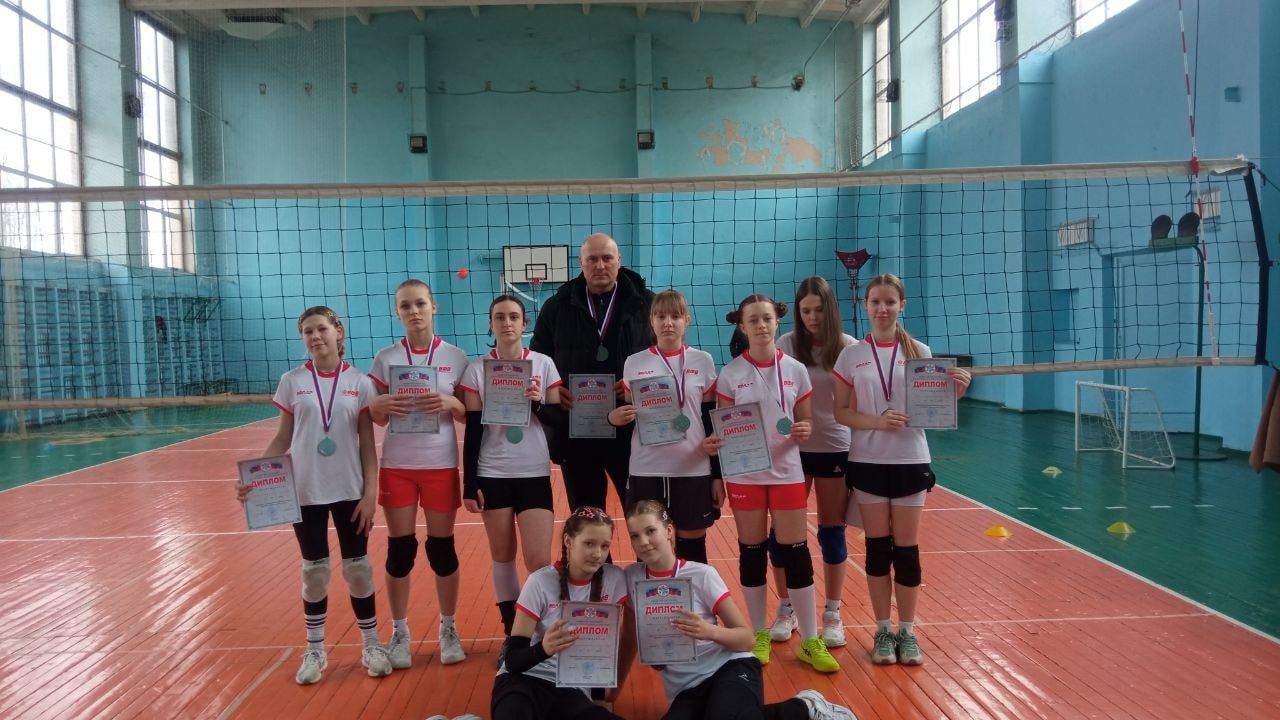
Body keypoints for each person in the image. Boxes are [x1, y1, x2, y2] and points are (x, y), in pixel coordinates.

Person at [238, 305, 392, 684]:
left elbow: (367, 444)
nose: (315, 336)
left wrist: (370, 494)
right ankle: (315, 650)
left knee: (358, 569)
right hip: (304, 491)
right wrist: (255, 476)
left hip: (349, 489)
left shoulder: (360, 382)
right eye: (308, 331)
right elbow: (282, 437)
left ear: (338, 331)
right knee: (315, 572)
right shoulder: (292, 381)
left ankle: (371, 645)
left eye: (321, 328)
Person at [831, 273, 971, 666]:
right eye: (876, 301)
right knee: (877, 550)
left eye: (890, 302)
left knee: (906, 551)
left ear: (901, 305)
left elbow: (932, 408)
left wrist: (955, 393)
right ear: (865, 305)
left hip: (911, 459)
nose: (882, 309)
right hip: (868, 461)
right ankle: (882, 629)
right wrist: (878, 422)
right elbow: (840, 412)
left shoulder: (920, 351)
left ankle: (907, 631)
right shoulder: (851, 355)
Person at [623, 500, 856, 720]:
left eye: (650, 531)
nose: (643, 541)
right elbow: (628, 632)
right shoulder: (632, 578)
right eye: (635, 535)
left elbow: (747, 639)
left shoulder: (701, 575)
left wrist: (709, 631)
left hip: (728, 667)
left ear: (669, 531)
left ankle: (806, 706)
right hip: (686, 687)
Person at [705, 294, 840, 673]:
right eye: (753, 320)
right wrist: (716, 446)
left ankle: (810, 639)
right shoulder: (731, 374)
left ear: (777, 321)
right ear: (742, 326)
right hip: (745, 474)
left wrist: (804, 428)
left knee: (796, 550)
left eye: (766, 318)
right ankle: (758, 634)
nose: (761, 325)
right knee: (752, 551)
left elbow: (806, 418)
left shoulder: (795, 369)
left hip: (786, 472)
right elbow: (723, 426)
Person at [367, 279, 469, 668]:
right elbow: (375, 417)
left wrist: (452, 403)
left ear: (433, 306)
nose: (414, 311)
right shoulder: (386, 358)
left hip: (440, 464)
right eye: (406, 306)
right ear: (397, 312)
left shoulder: (456, 357)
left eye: (420, 304)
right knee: (401, 551)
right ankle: (400, 633)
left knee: (442, 550)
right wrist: (378, 406)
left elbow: (468, 413)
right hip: (398, 466)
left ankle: (449, 629)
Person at [460, 294, 563, 647]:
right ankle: (513, 635)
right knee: (502, 556)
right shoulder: (477, 370)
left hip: (533, 472)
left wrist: (536, 402)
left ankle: (544, 630)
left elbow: (557, 420)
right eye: (500, 317)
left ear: (524, 323)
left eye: (514, 317)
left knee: (539, 561)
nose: (507, 323)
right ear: (491, 324)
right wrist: (469, 483)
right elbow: (473, 431)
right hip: (493, 473)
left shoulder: (543, 364)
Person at [531, 233, 654, 511]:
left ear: (619, 260)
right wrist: (553, 390)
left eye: (607, 258)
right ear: (581, 263)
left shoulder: (647, 304)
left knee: (642, 514)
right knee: (586, 518)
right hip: (576, 430)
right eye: (592, 259)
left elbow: (664, 359)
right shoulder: (557, 306)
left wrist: (638, 387)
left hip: (632, 429)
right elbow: (538, 360)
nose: (600, 265)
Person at [769, 277, 858, 649]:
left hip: (835, 447)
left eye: (819, 310)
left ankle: (832, 613)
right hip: (793, 449)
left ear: (830, 309)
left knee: (831, 532)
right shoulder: (786, 345)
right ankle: (786, 607)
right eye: (805, 310)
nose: (812, 317)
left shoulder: (849, 348)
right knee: (781, 534)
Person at [607, 289, 721, 565]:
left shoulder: (703, 361)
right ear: (651, 321)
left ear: (687, 320)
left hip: (693, 468)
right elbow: (628, 414)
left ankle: (694, 598)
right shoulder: (634, 362)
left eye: (675, 316)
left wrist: (717, 475)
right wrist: (613, 418)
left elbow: (710, 419)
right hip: (647, 469)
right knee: (648, 552)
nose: (668, 322)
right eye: (660, 316)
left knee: (693, 552)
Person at [491, 506, 635, 720]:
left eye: (604, 546)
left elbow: (631, 633)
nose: (597, 554)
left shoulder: (614, 580)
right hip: (523, 681)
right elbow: (512, 660)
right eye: (589, 543)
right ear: (568, 541)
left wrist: (611, 689)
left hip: (570, 688)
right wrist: (543, 648)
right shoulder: (539, 582)